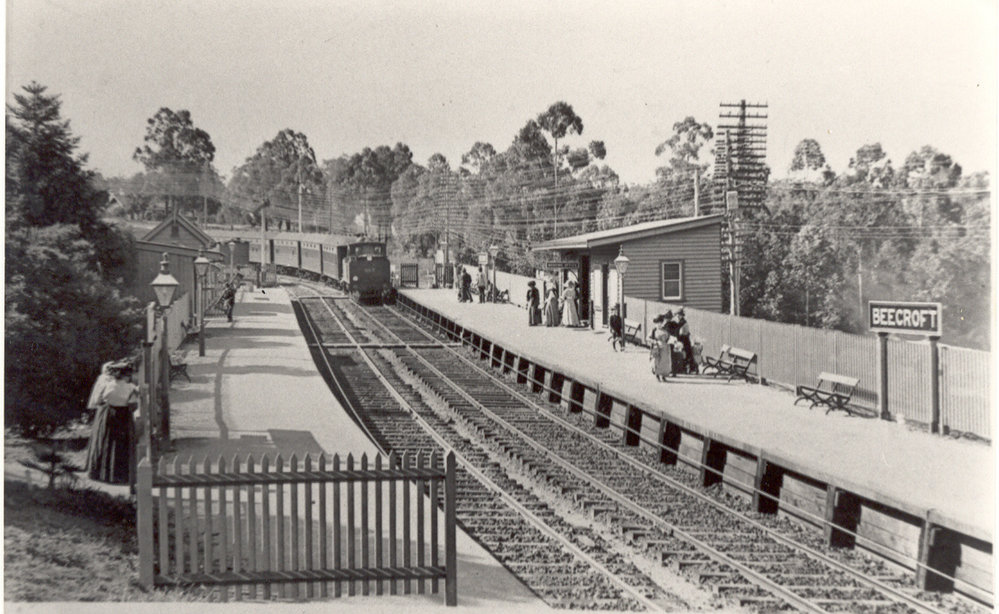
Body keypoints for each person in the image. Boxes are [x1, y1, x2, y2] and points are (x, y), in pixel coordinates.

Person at [86, 362, 138, 485]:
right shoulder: (131, 387)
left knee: (106, 440)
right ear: (126, 375)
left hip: (108, 414)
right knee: (121, 443)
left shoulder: (108, 385)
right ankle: (120, 474)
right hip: (123, 415)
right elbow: (134, 405)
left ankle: (101, 473)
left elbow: (98, 401)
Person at [649, 313, 673, 379]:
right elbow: (647, 338)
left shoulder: (665, 330)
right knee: (657, 361)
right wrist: (654, 341)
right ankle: (657, 375)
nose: (659, 324)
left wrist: (671, 340)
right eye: (657, 323)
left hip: (665, 348)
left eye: (660, 323)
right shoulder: (654, 330)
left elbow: (668, 337)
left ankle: (663, 375)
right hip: (657, 348)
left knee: (664, 362)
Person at [676, 308, 697, 373]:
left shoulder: (682, 322)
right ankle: (688, 368)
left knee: (686, 355)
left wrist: (678, 337)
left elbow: (681, 332)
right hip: (685, 339)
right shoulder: (682, 322)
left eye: (679, 315)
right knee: (687, 354)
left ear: (682, 315)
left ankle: (689, 368)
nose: (678, 316)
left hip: (684, 340)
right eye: (677, 315)